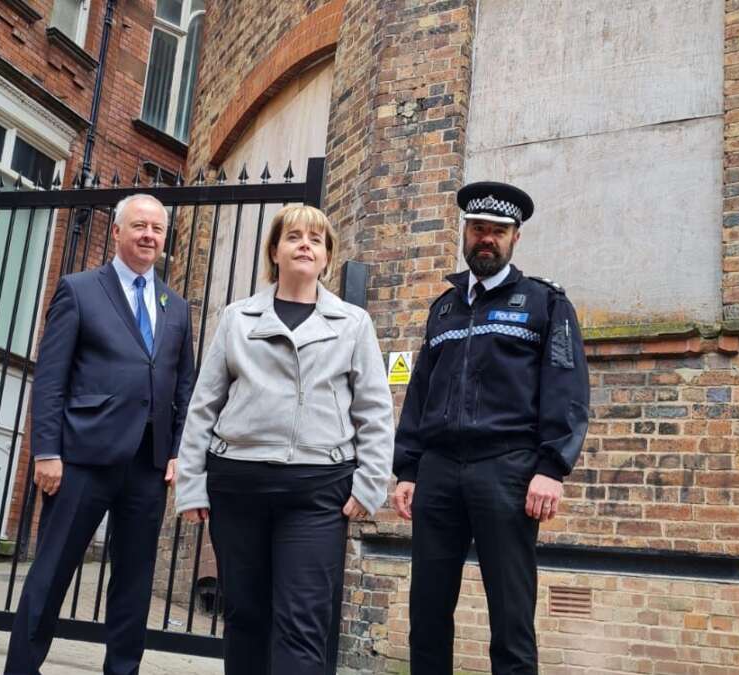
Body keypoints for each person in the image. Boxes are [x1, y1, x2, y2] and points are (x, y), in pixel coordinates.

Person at [175, 205, 394, 674]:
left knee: (303, 621)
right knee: (244, 616)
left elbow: (375, 410)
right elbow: (204, 405)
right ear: (274, 251)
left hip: (316, 492)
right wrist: (191, 483)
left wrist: (369, 485)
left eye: (315, 240)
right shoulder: (238, 318)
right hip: (238, 486)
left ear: (327, 256)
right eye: (293, 236)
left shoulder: (353, 323)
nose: (304, 245)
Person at [392, 182, 590, 674]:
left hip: (507, 471)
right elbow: (420, 393)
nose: (487, 239)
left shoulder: (545, 304)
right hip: (437, 472)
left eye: (498, 232)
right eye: (478, 229)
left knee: (511, 615)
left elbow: (566, 388)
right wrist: (408, 469)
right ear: (464, 232)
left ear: (515, 238)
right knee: (428, 612)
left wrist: (551, 467)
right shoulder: (443, 308)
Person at [5, 194, 195, 675]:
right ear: (117, 232)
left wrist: (177, 451)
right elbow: (51, 378)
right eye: (139, 226)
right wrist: (47, 450)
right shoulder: (80, 289)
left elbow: (185, 385)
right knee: (51, 575)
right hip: (82, 458)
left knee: (133, 585)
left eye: (156, 228)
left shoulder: (176, 307)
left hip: (148, 467)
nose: (149, 236)